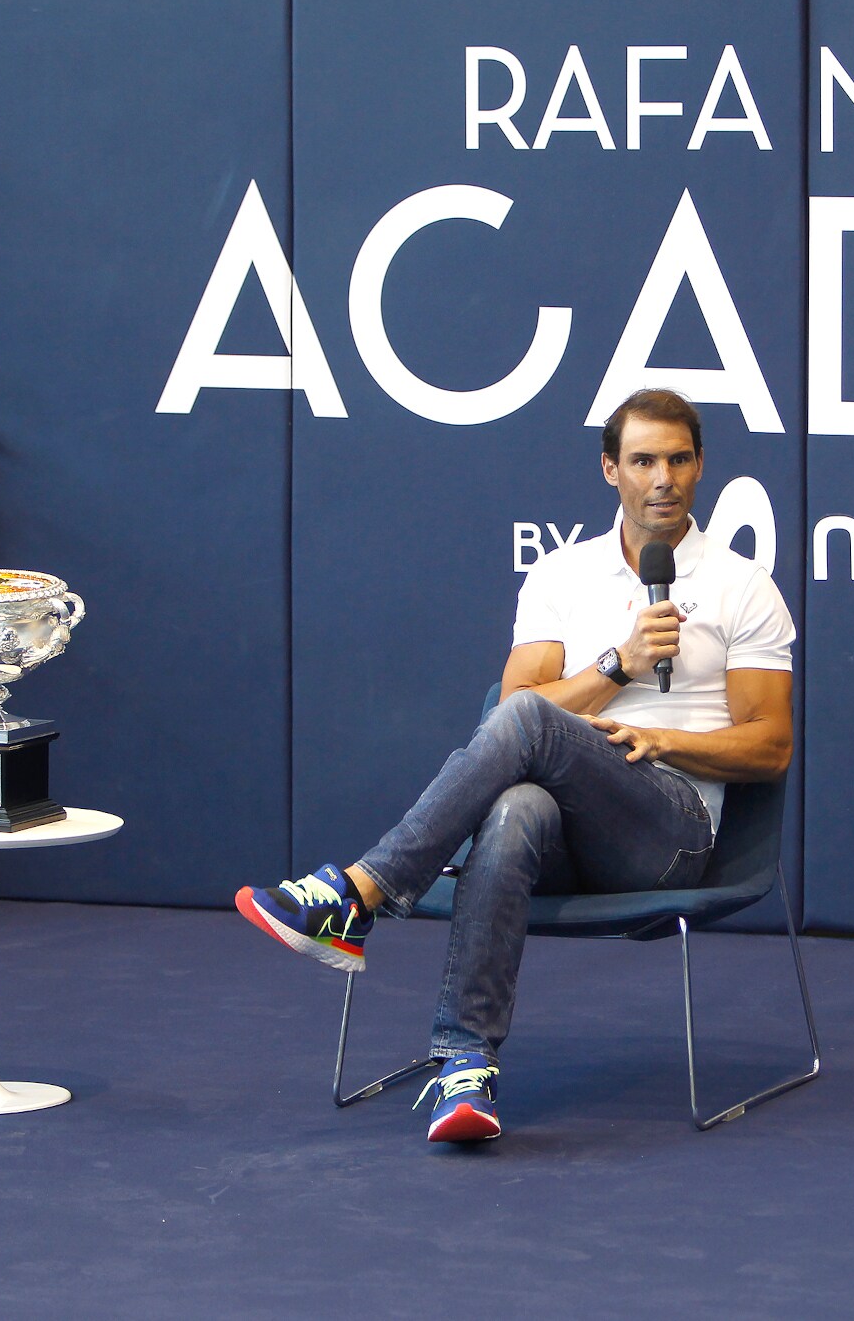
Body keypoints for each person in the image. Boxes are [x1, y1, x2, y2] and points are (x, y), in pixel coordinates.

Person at [235, 389, 794, 1143]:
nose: (662, 477)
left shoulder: (741, 585)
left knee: (531, 719)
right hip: (568, 833)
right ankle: (466, 1065)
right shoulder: (562, 576)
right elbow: (513, 702)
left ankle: (359, 892)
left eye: (678, 458)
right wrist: (619, 663)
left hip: (673, 834)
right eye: (642, 460)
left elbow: (770, 745)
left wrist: (665, 742)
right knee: (514, 806)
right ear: (610, 469)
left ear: (699, 467)